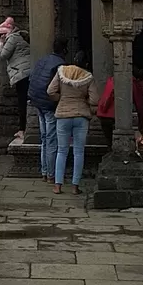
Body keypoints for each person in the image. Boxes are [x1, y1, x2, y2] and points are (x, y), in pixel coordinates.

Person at [48, 51, 97, 195]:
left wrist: (61, 98)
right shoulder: (88, 77)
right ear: (86, 64)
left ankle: (58, 185)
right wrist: (84, 100)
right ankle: (75, 186)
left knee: (62, 150)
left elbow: (50, 91)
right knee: (78, 152)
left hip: (63, 114)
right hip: (81, 116)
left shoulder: (62, 72)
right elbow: (95, 100)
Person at [27, 38, 69, 183]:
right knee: (51, 139)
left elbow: (33, 77)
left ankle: (44, 172)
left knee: (44, 137)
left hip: (36, 100)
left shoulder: (43, 59)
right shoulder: (60, 65)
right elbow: (56, 88)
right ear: (64, 50)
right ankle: (51, 174)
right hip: (48, 103)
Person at [0, 17, 33, 141]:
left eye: (2, 34)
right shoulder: (21, 36)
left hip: (21, 74)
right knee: (28, 101)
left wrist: (1, 43)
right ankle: (27, 127)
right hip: (28, 71)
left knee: (22, 102)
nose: (1, 36)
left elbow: (2, 56)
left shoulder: (12, 39)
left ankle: (23, 130)